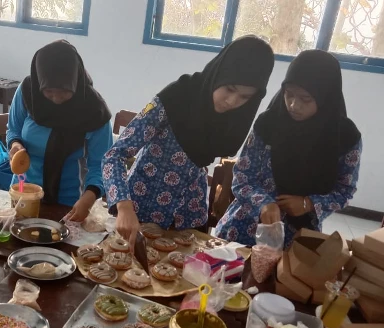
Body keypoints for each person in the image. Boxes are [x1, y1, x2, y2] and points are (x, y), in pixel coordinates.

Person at [102, 36, 274, 247]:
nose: (232, 101)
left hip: (187, 220)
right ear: (219, 73)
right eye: (229, 88)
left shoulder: (235, 120)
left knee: (184, 277)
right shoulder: (177, 97)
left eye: (245, 97)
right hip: (138, 212)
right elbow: (115, 155)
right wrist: (124, 207)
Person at [215, 50, 362, 249]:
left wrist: (307, 204)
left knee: (285, 279)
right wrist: (263, 204)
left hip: (297, 239)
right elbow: (242, 175)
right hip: (244, 229)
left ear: (326, 96)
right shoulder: (268, 123)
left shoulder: (344, 137)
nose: (293, 104)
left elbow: (345, 190)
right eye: (289, 94)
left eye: (305, 99)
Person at [7, 40, 112, 221]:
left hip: (69, 202)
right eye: (48, 92)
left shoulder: (94, 111)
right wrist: (15, 144)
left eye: (64, 92)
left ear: (75, 83)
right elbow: (13, 129)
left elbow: (102, 164)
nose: (56, 99)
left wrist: (89, 198)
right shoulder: (28, 92)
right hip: (23, 190)